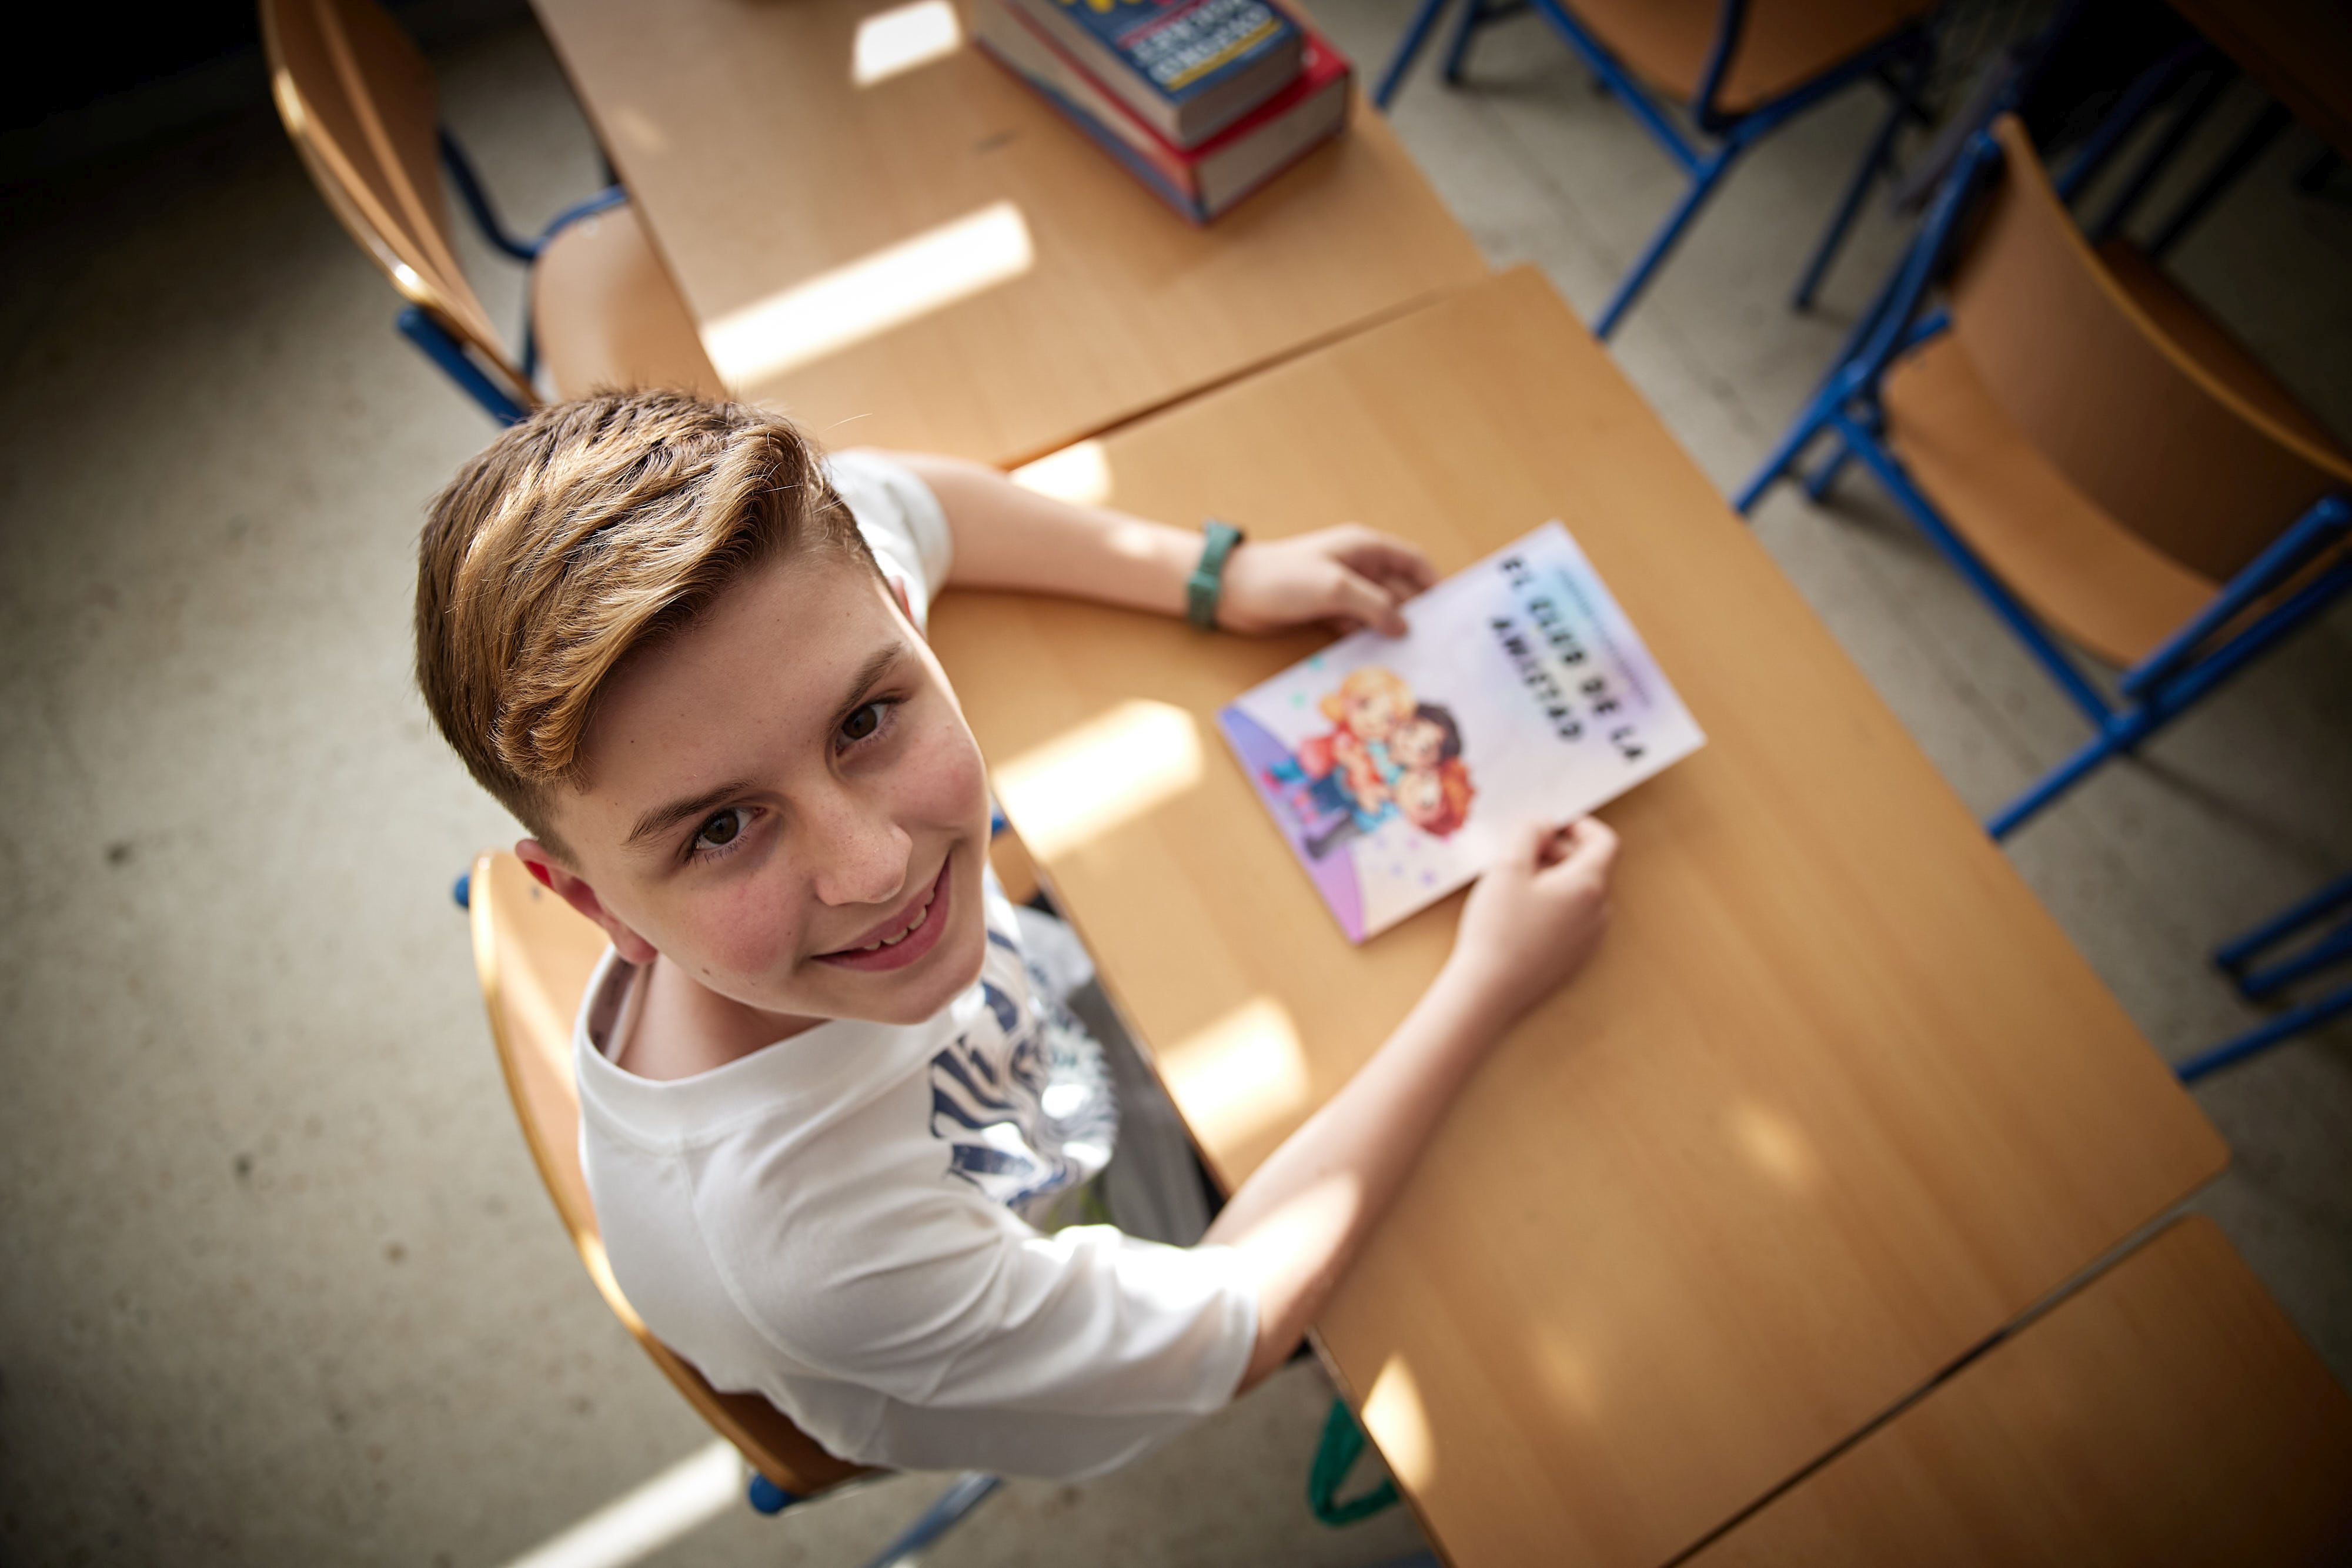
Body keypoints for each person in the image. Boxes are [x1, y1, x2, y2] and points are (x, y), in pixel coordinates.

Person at [413, 391, 1619, 1480]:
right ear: (594, 905)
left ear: (895, 619)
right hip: (1132, 1231)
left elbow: (902, 503)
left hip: (1057, 1048)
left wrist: (1211, 572)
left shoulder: (788, 617)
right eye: (722, 827)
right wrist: (1490, 980)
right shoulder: (819, 1250)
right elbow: (1236, 1318)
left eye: (867, 717)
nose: (879, 865)